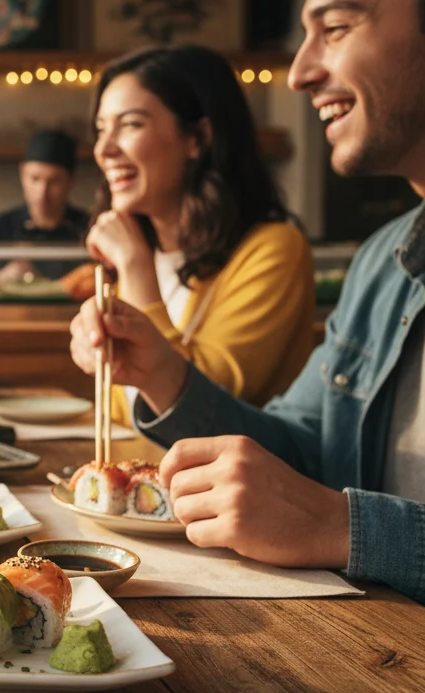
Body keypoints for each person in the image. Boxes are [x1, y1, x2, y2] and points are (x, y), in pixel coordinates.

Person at [70, 0, 425, 643]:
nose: (299, 73)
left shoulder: (283, 247)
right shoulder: (383, 263)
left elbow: (324, 511)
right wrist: (164, 377)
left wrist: (346, 528)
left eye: (337, 28)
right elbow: (303, 455)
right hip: (372, 657)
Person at [84, 45, 314, 420]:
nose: (104, 149)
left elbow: (204, 408)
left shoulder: (274, 249)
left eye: (130, 125)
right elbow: (125, 411)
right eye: (100, 129)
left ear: (198, 138)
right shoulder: (142, 248)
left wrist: (135, 266)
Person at [0, 129, 90, 282]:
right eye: (35, 179)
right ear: (22, 175)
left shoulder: (88, 229)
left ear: (71, 180)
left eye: (54, 181)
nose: (42, 192)